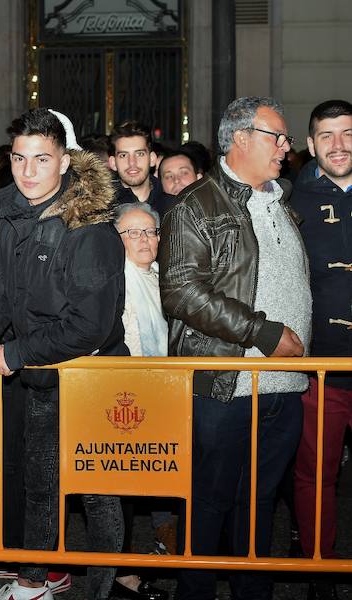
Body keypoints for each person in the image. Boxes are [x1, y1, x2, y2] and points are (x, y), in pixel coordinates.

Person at [0, 108, 127, 600]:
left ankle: (107, 586)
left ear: (65, 162)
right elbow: (1, 291)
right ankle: (35, 579)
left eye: (40, 159)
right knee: (38, 482)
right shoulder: (15, 214)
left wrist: (16, 351)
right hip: (41, 374)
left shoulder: (89, 227)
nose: (27, 171)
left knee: (98, 491)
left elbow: (91, 325)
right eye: (19, 158)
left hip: (88, 376)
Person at [159, 96, 311, 600]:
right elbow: (182, 292)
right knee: (211, 503)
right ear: (241, 138)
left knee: (261, 503)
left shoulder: (279, 202)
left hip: (284, 386)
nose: (287, 147)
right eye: (278, 136)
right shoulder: (196, 204)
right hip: (224, 385)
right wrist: (265, 334)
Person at [290, 98, 352, 600]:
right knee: (315, 476)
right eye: (327, 136)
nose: (338, 145)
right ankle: (320, 572)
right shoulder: (292, 203)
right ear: (311, 145)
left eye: (347, 133)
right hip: (320, 369)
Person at [112, 201, 171, 600]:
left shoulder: (162, 278)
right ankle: (121, 576)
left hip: (162, 391)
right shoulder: (116, 281)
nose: (143, 239)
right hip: (123, 395)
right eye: (131, 232)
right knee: (122, 494)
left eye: (149, 231)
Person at [108, 120, 177, 216]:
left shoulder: (174, 208)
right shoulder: (102, 210)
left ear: (152, 159)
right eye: (123, 155)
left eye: (139, 154)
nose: (132, 162)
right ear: (113, 163)